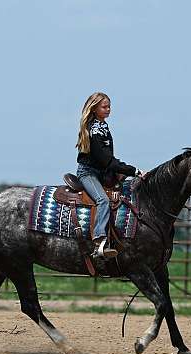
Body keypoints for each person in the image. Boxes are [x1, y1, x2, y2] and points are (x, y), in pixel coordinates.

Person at [75, 92, 145, 258]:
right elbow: (106, 160)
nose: (108, 109)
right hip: (88, 173)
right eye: (104, 107)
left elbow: (108, 160)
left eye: (109, 106)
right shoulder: (95, 130)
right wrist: (134, 171)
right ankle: (99, 241)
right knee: (103, 200)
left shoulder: (102, 126)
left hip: (102, 172)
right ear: (94, 109)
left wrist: (121, 171)